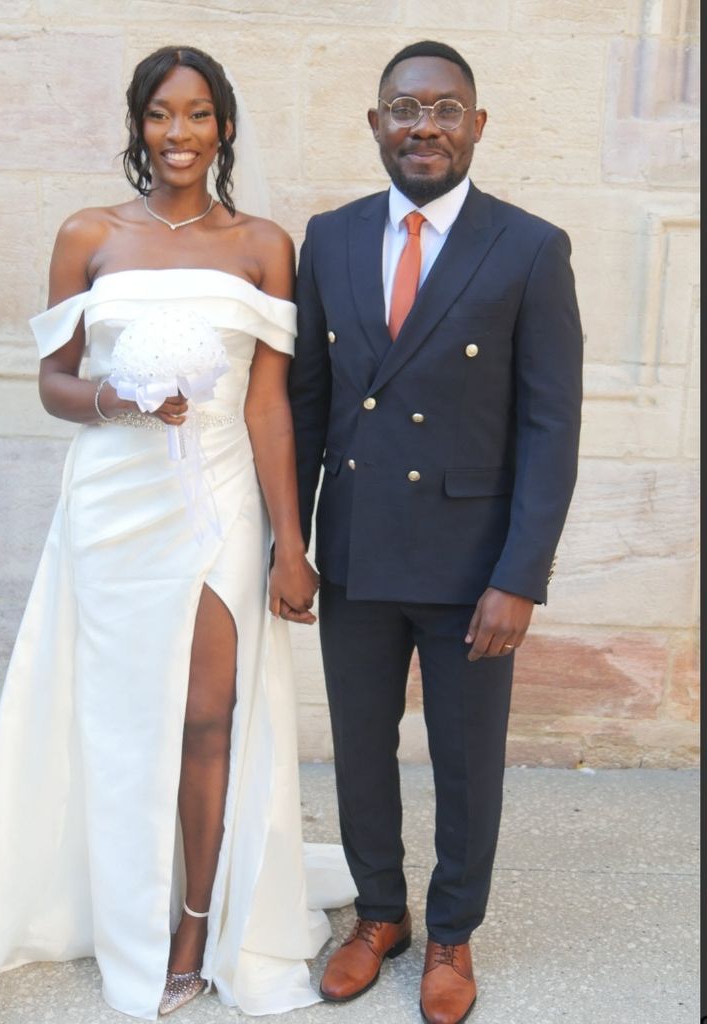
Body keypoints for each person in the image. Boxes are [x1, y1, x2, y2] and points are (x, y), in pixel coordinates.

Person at [0, 45, 354, 1024]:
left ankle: (192, 930)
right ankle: (115, 903)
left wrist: (292, 544)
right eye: (160, 114)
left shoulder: (263, 246)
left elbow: (270, 406)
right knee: (117, 720)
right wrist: (115, 396)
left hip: (219, 498)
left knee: (208, 715)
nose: (178, 134)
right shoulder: (89, 234)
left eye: (197, 114)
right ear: (138, 126)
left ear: (225, 128)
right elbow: (54, 382)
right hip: (113, 503)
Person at [289, 39, 583, 1024]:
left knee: (465, 759)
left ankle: (452, 930)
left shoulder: (529, 247)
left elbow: (550, 426)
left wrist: (521, 576)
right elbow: (307, 404)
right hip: (358, 548)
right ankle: (380, 914)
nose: (425, 127)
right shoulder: (329, 238)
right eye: (406, 109)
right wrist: (291, 545)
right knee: (359, 750)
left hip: (472, 566)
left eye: (446, 109)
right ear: (376, 124)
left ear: (477, 125)